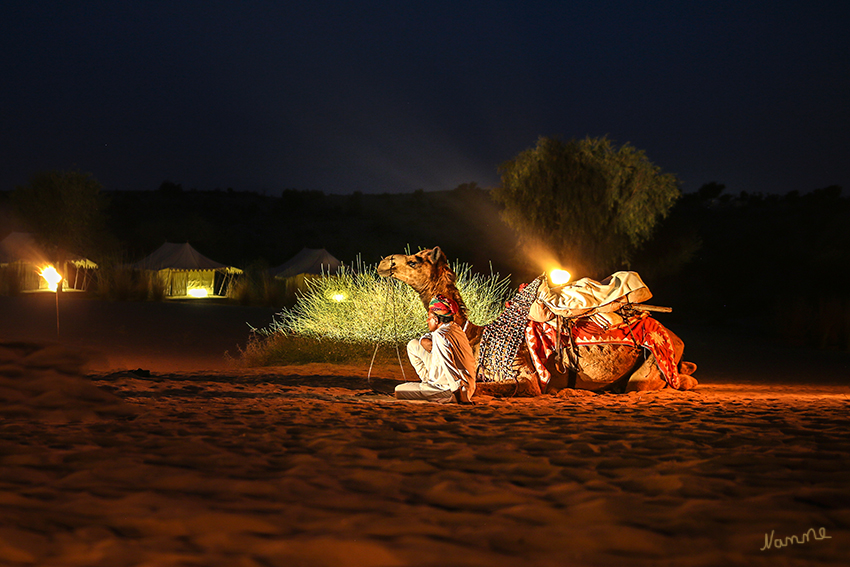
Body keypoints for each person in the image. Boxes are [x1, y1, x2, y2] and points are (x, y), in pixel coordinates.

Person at [395, 295, 477, 403]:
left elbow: (449, 367)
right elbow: (431, 337)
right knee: (413, 345)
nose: (427, 321)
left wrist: (460, 398)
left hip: (451, 389)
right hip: (467, 382)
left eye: (429, 318)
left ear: (436, 320)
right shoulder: (455, 328)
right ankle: (429, 381)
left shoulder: (440, 336)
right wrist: (423, 340)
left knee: (399, 390)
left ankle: (433, 389)